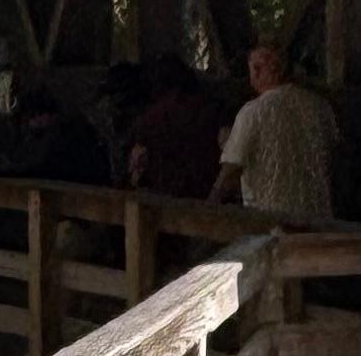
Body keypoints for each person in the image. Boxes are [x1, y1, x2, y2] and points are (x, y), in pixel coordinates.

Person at [213, 44, 340, 227]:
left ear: (280, 68)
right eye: (253, 67)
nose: (255, 74)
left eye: (260, 66)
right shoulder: (321, 107)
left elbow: (230, 173)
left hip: (271, 226)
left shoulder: (253, 112)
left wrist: (207, 208)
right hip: (319, 223)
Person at [129, 59, 225, 202]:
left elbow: (137, 166)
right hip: (205, 196)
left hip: (163, 199)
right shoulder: (210, 110)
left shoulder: (150, 118)